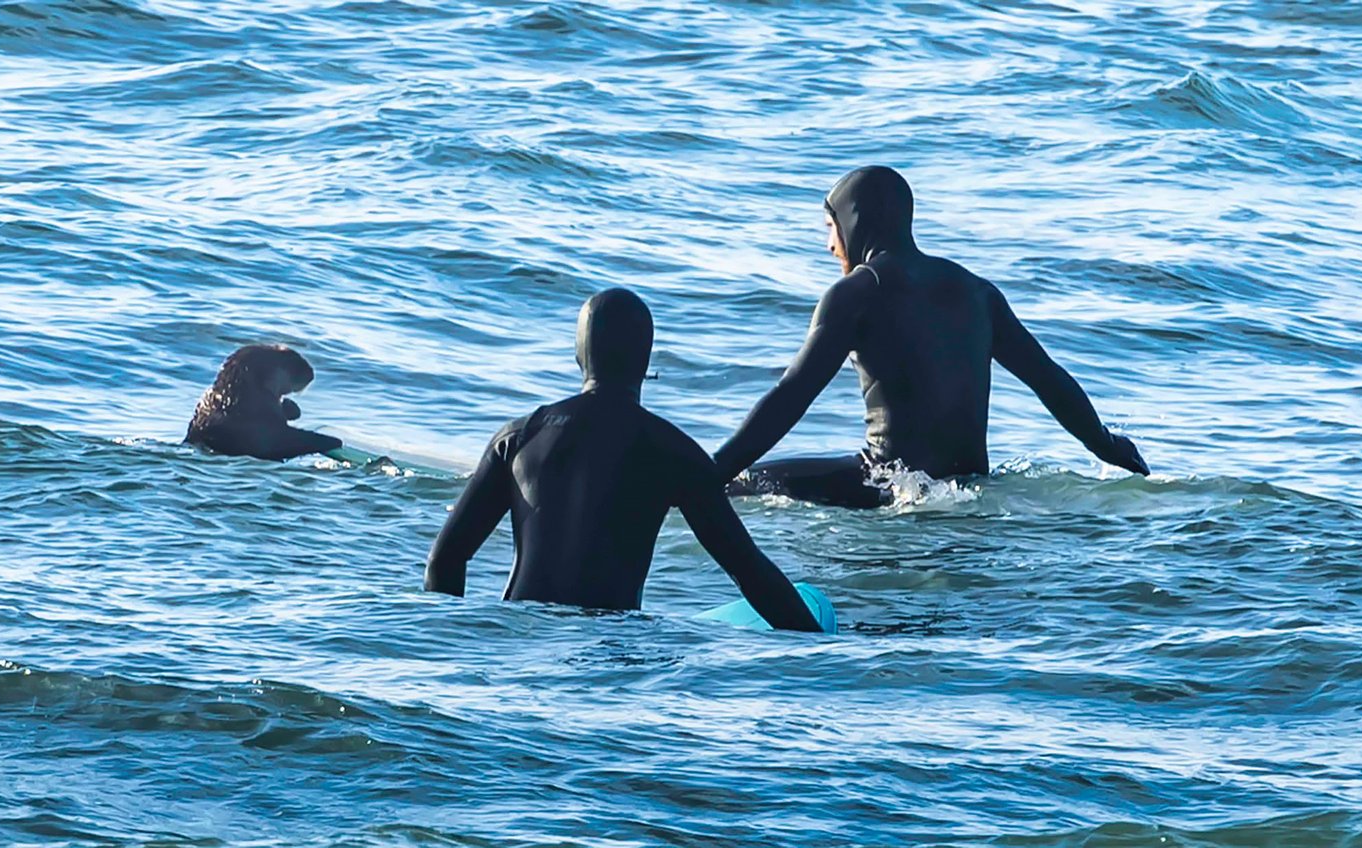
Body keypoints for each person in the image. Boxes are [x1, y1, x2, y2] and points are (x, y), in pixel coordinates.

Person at [715, 166, 1149, 508]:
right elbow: (1048, 379)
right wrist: (1107, 444)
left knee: (744, 484)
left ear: (855, 221)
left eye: (830, 226)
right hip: (970, 484)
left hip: (893, 484)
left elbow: (791, 395)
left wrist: (714, 470)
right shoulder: (978, 291)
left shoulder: (856, 293)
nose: (829, 245)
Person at [424, 288, 821, 632]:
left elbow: (445, 559)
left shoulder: (519, 437)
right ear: (645, 361)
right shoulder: (672, 451)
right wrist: (822, 648)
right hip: (610, 650)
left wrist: (455, 649)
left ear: (579, 355)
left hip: (520, 640)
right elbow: (749, 571)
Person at [186, 344, 343, 461]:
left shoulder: (214, 399)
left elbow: (248, 418)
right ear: (278, 373)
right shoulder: (254, 404)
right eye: (284, 391)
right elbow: (273, 444)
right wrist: (327, 442)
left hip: (198, 453)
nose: (282, 395)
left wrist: (281, 411)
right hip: (235, 458)